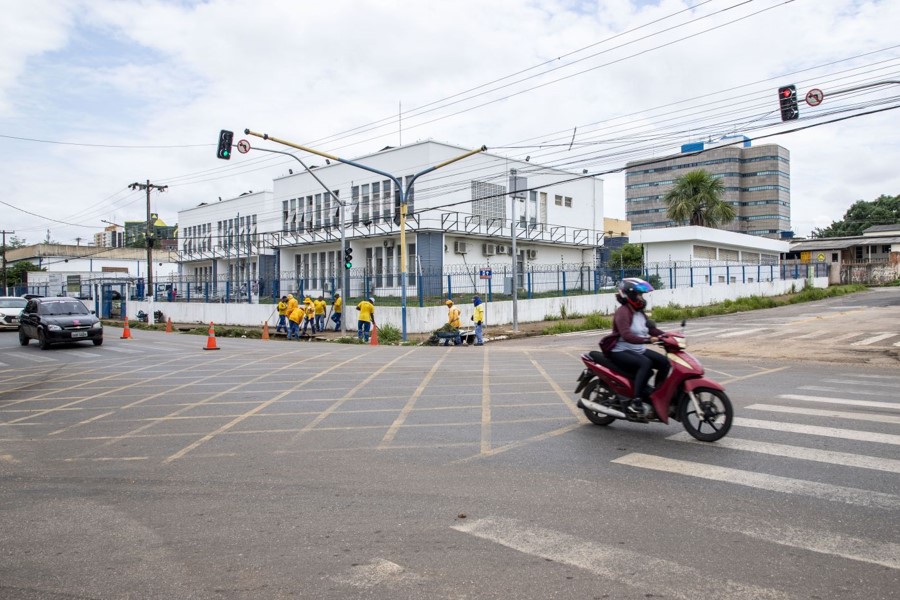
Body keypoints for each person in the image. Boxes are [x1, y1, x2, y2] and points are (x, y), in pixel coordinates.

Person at [607, 277, 670, 416]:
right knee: (645, 364)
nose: (641, 298)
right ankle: (636, 401)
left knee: (664, 362)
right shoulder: (622, 312)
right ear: (629, 295)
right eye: (639, 294)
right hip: (620, 350)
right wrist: (648, 340)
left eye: (642, 295)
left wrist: (668, 336)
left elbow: (651, 330)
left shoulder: (639, 312)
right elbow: (627, 335)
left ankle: (657, 393)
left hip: (636, 349)